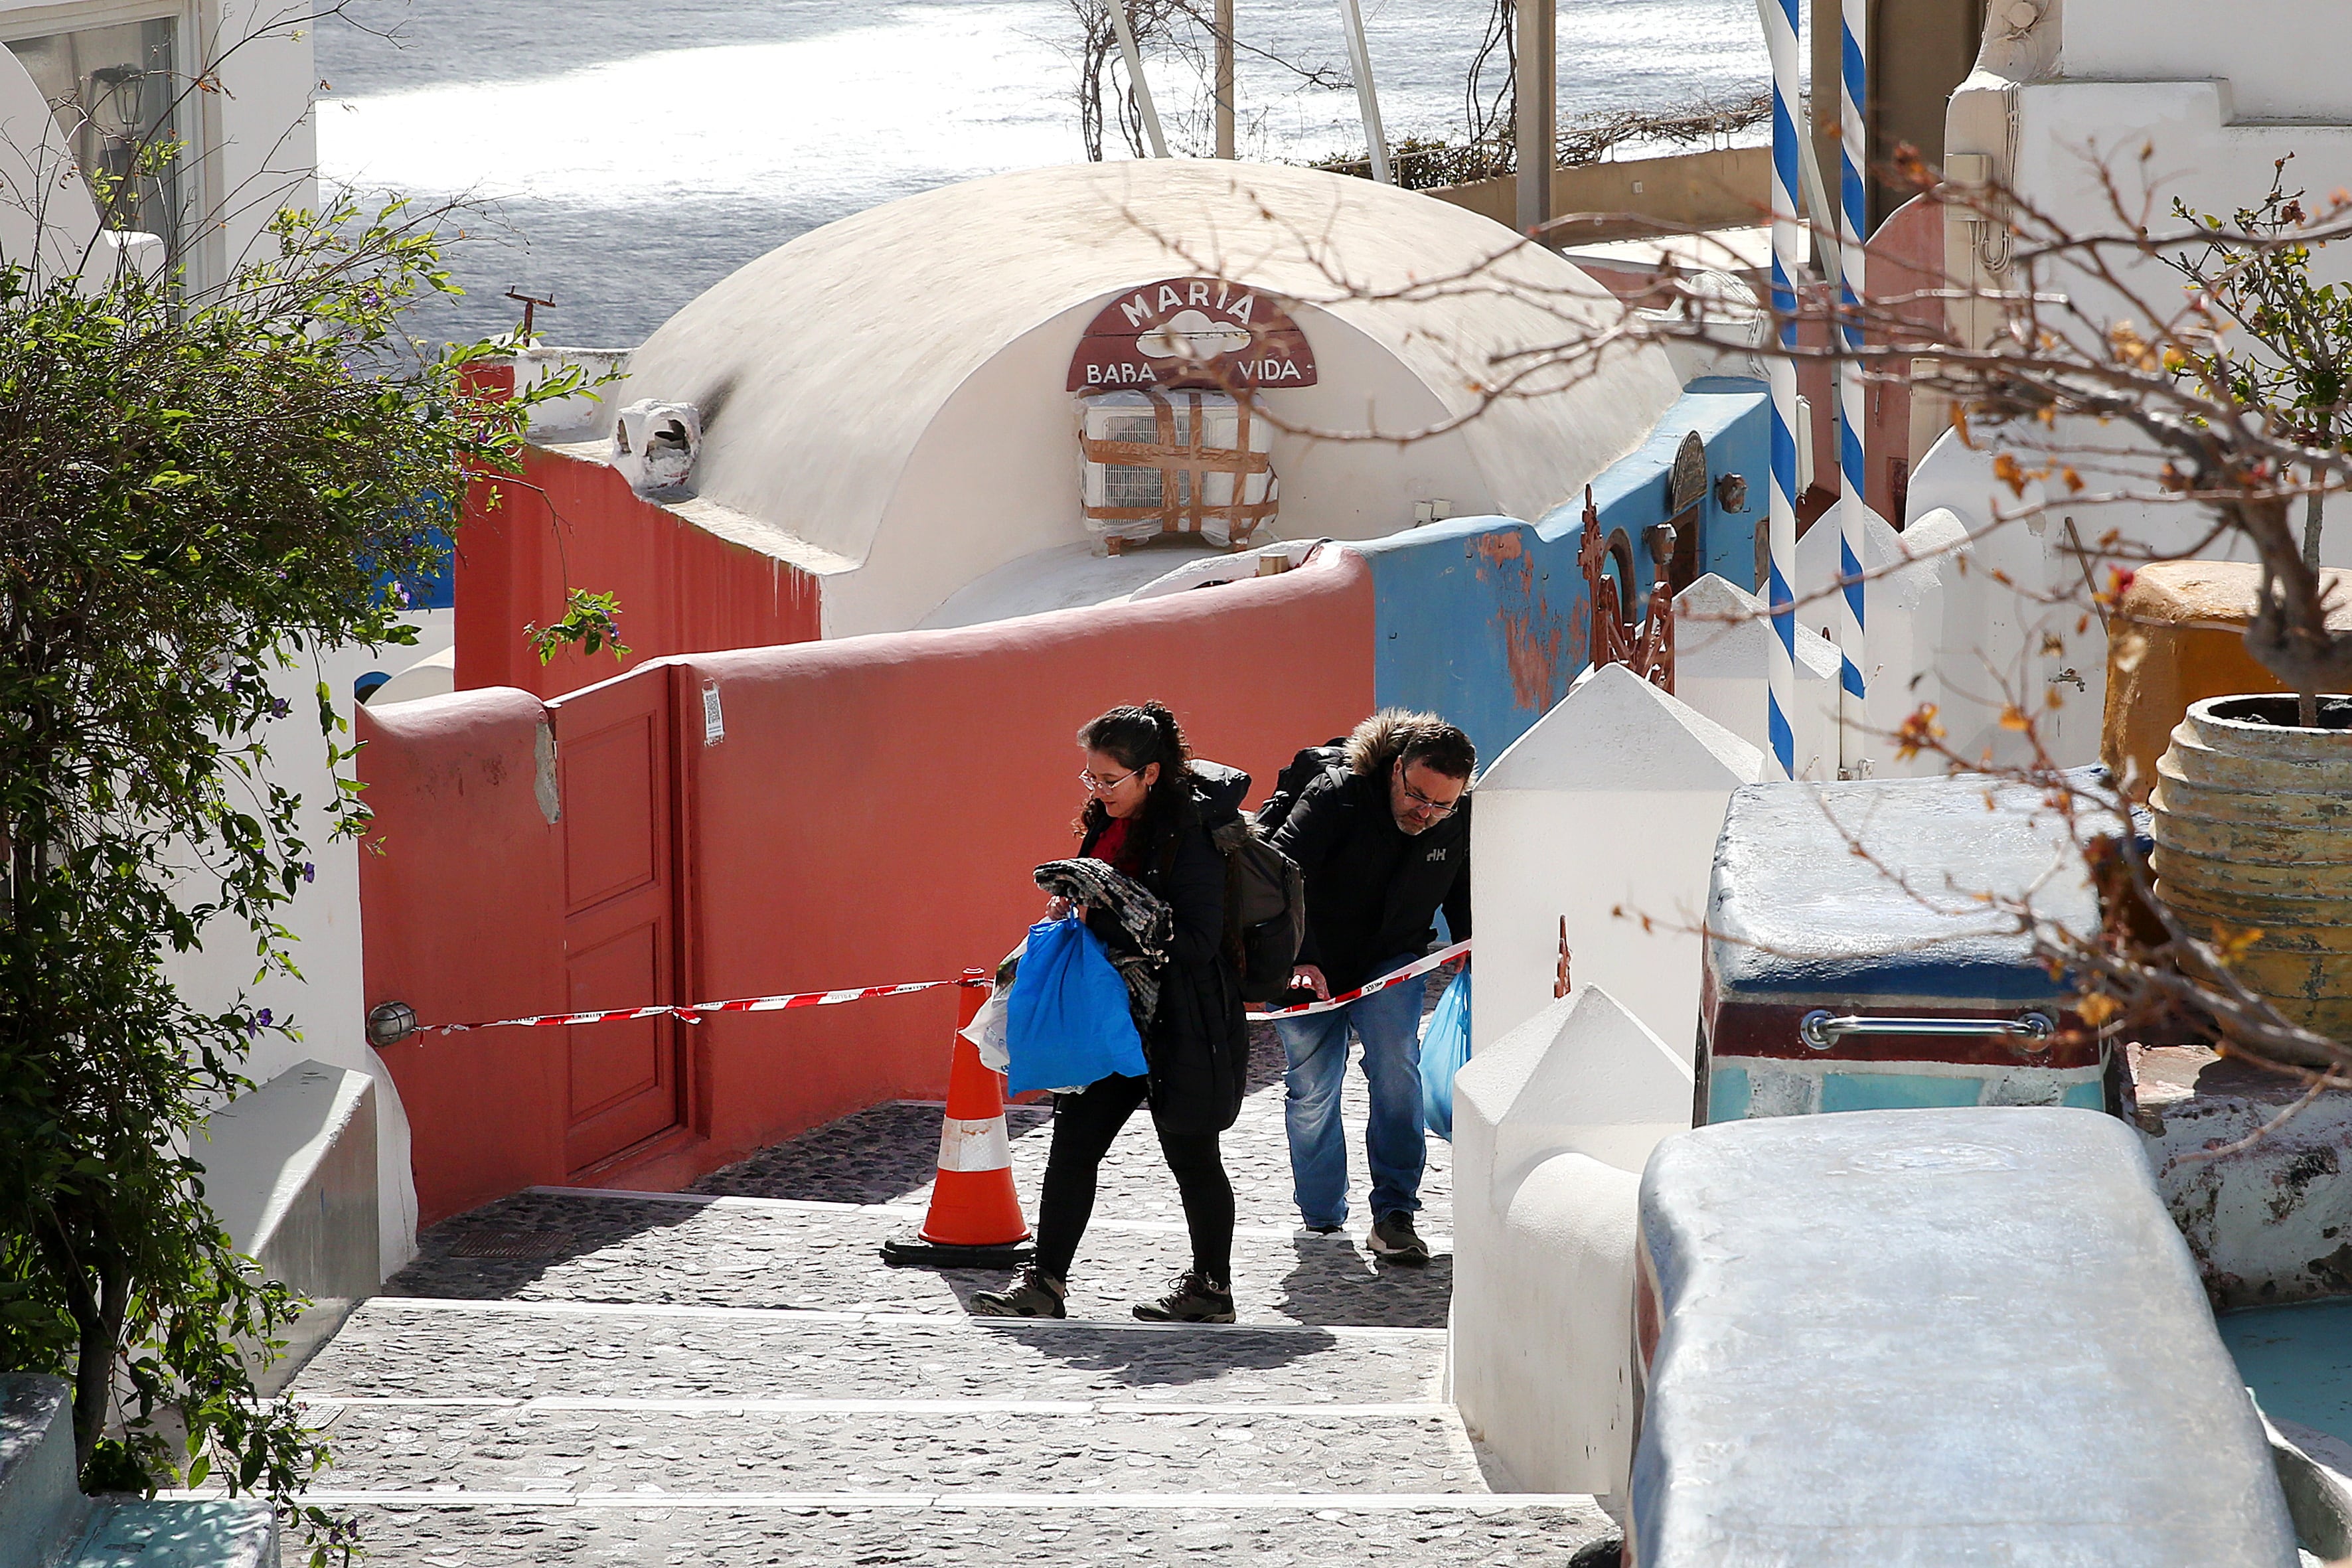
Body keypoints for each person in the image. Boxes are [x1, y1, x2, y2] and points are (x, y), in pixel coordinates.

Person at [972, 702, 1251, 1323]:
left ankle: (1212, 1289)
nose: (1096, 792)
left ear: (1150, 773)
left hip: (1180, 1016)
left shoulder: (1195, 834)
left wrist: (1114, 900)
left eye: (1108, 780)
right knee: (1071, 1147)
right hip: (1108, 1015)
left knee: (1192, 1155)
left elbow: (1199, 941)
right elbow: (1101, 905)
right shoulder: (1105, 825)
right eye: (1089, 778)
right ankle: (1045, 1283)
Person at [1266, 709, 1474, 1265]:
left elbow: (1461, 884)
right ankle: (1322, 1215)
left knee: (1395, 1072)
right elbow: (1276, 876)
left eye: (1441, 805)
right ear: (1396, 769)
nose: (1425, 814)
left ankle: (1395, 1213)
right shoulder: (1336, 796)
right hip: (1305, 962)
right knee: (1312, 1086)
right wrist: (1300, 957)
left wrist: (1471, 943)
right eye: (1416, 796)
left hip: (1391, 961)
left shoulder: (1456, 819)